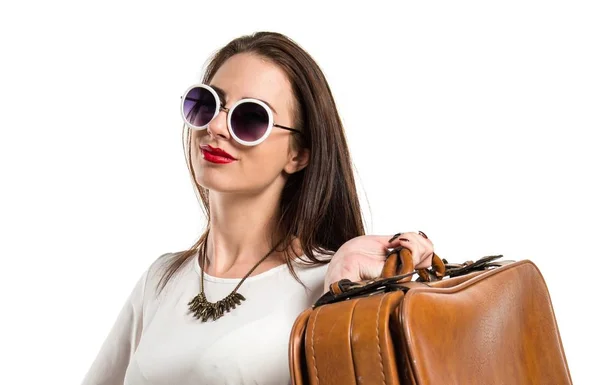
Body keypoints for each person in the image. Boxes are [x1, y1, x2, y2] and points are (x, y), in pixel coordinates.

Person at [81, 31, 434, 385]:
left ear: (299, 154)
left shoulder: (328, 285)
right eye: (205, 105)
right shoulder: (160, 280)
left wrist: (351, 290)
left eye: (250, 118)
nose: (216, 127)